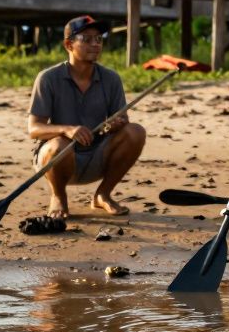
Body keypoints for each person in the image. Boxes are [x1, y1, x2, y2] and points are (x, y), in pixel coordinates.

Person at [27, 15, 147, 218]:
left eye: (99, 39)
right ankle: (58, 197)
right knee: (59, 145)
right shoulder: (48, 78)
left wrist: (116, 124)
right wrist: (67, 130)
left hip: (97, 156)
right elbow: (34, 129)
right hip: (58, 158)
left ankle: (103, 194)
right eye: (86, 39)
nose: (95, 44)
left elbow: (123, 119)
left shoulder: (111, 78)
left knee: (136, 132)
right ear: (68, 44)